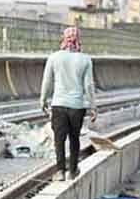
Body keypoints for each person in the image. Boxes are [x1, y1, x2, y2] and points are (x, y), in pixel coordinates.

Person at [40, 26, 97, 182]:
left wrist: (43, 99)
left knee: (59, 139)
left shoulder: (54, 57)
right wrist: (93, 106)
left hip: (58, 104)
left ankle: (60, 171)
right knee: (74, 138)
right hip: (77, 106)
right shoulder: (85, 59)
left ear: (63, 39)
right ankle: (72, 170)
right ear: (79, 40)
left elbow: (47, 81)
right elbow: (88, 86)